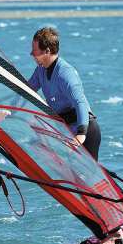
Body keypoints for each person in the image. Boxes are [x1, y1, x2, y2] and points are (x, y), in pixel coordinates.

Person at [27, 26, 101, 160]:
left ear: (47, 51)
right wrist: (7, 110)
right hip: (66, 131)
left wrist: (81, 134)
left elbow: (80, 102)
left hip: (84, 131)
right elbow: (26, 90)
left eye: (35, 51)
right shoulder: (41, 70)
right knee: (35, 145)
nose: (31, 54)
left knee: (87, 178)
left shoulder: (65, 73)